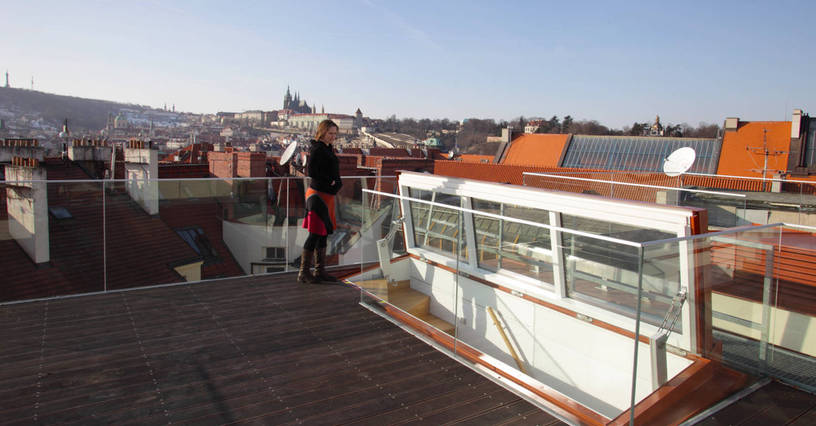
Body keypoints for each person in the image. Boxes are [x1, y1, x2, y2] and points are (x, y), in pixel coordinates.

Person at [298, 119, 342, 284]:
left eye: (335, 134)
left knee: (322, 233)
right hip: (317, 195)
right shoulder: (317, 148)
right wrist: (330, 183)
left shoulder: (327, 148)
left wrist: (335, 183)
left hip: (325, 195)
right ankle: (303, 272)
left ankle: (319, 271)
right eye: (330, 133)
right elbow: (312, 172)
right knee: (315, 234)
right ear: (322, 132)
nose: (333, 136)